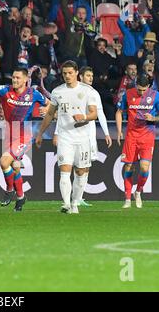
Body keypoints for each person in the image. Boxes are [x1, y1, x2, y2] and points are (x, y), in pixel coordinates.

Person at [35, 60, 98, 214]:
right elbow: (50, 113)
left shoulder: (87, 91)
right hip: (65, 137)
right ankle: (66, 204)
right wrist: (40, 133)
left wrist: (83, 117)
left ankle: (75, 202)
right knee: (65, 170)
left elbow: (94, 114)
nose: (67, 76)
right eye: (64, 73)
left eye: (70, 73)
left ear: (77, 73)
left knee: (81, 172)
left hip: (82, 137)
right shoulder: (57, 92)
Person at [0, 67, 47, 211]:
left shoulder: (33, 94)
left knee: (4, 162)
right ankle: (21, 197)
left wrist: (48, 110)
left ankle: (9, 190)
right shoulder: (6, 89)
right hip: (10, 134)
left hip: (24, 136)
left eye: (18, 78)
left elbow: (50, 105)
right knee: (15, 167)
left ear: (25, 80)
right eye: (14, 77)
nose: (15, 80)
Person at [52, 66, 112, 207]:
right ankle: (70, 202)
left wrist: (106, 132)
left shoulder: (92, 93)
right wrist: (56, 133)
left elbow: (100, 113)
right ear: (80, 76)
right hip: (69, 134)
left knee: (83, 168)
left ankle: (78, 197)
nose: (90, 78)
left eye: (92, 76)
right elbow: (62, 116)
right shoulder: (63, 92)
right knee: (67, 167)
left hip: (88, 134)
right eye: (88, 75)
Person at [116, 74, 159, 209]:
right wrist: (119, 131)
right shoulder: (127, 94)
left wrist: (153, 118)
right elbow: (119, 112)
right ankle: (127, 199)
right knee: (129, 167)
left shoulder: (155, 95)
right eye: (139, 90)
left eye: (144, 90)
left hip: (147, 136)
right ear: (135, 84)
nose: (141, 92)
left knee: (144, 168)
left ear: (148, 87)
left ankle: (138, 192)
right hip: (131, 136)